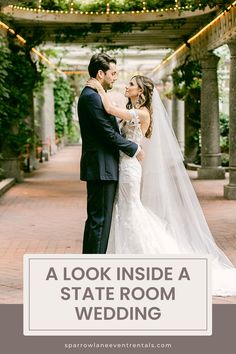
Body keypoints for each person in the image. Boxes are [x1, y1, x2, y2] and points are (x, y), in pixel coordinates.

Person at [87, 74, 236, 296]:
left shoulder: (142, 113)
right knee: (125, 208)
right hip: (124, 165)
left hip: (129, 168)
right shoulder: (137, 111)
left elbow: (109, 109)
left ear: (141, 92)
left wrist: (98, 87)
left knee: (129, 208)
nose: (126, 86)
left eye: (131, 85)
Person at [77, 53, 144, 254]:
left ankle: (90, 265)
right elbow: (107, 133)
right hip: (101, 167)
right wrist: (134, 148)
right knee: (100, 221)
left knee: (98, 220)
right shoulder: (90, 97)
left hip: (102, 166)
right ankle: (93, 270)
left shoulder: (94, 95)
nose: (115, 77)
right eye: (112, 73)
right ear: (100, 74)